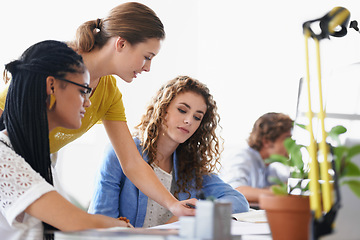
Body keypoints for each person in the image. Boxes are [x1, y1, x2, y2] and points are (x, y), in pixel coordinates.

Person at [0, 2, 195, 216]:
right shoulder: (57, 62)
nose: (148, 67)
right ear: (121, 44)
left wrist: (173, 204)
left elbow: (131, 162)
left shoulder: (109, 92)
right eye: (147, 56)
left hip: (32, 168)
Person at [0, 40, 132, 240]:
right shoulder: (3, 157)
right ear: (51, 86)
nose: (88, 102)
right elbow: (75, 223)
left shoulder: (41, 158)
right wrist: (120, 227)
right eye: (83, 91)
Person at [88, 76, 249, 228]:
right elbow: (102, 220)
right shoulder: (122, 152)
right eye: (182, 110)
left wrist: (193, 213)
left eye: (197, 117)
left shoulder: (191, 165)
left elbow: (239, 202)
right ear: (162, 108)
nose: (189, 121)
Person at [220, 112, 293, 204]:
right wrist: (278, 192)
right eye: (287, 139)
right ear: (267, 141)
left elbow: (288, 185)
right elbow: (235, 191)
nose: (292, 145)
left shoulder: (270, 167)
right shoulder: (242, 157)